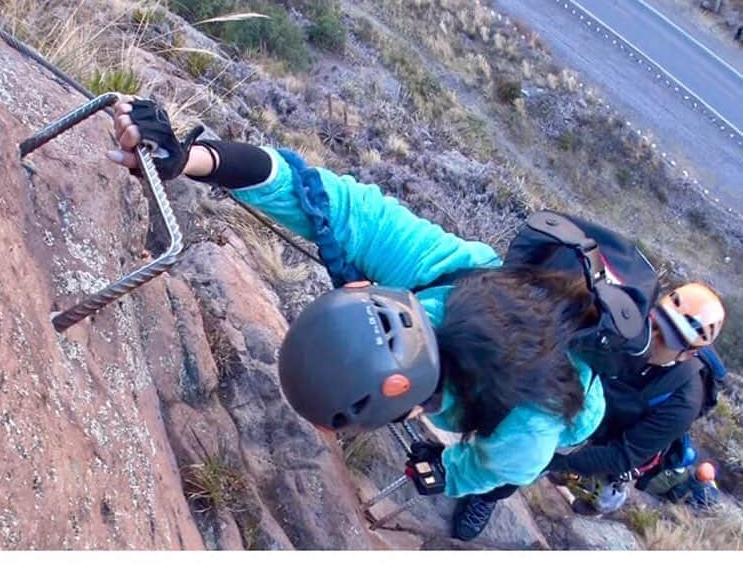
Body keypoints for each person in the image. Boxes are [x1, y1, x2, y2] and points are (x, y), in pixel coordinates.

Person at [107, 97, 606, 541]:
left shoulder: (529, 432)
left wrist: (452, 474)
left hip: (569, 407)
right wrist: (192, 159)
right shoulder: (442, 269)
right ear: (364, 291)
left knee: (500, 477)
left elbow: (486, 463)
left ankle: (481, 506)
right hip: (516, 307)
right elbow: (320, 198)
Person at [547, 282, 726, 514]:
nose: (653, 338)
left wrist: (552, 461)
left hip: (619, 438)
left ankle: (703, 492)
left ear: (688, 354)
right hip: (591, 410)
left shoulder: (682, 403)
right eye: (656, 324)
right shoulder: (628, 323)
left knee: (602, 492)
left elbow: (622, 456)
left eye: (667, 340)